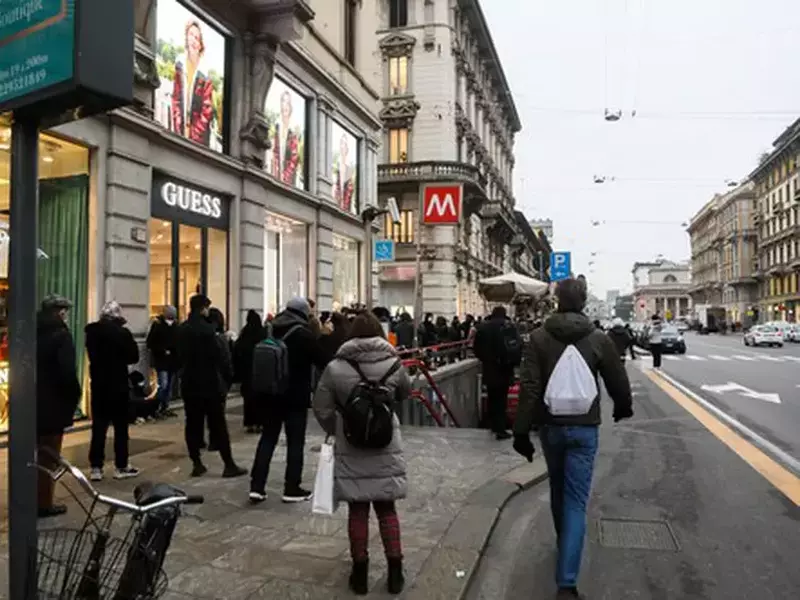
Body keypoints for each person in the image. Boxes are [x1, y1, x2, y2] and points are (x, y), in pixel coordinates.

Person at [513, 278, 633, 600]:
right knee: (576, 501)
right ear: (582, 303)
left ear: (556, 302)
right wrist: (623, 408)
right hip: (584, 427)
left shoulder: (538, 337)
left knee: (557, 488)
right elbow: (617, 379)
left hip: (551, 426)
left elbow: (529, 387)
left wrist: (521, 430)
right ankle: (566, 583)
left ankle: (563, 541)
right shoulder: (598, 338)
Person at [313, 312, 412, 595]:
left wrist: (341, 428)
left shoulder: (335, 367)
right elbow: (405, 392)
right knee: (386, 508)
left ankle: (360, 574)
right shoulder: (394, 363)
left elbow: (321, 408)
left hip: (351, 444)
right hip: (385, 443)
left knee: (357, 510)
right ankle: (395, 572)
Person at [249, 297, 330, 503]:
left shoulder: (270, 328)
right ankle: (291, 488)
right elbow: (324, 360)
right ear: (303, 313)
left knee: (267, 439)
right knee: (295, 442)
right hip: (295, 397)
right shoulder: (303, 334)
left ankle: (257, 486)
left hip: (270, 394)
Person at [177, 294, 246, 478]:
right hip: (209, 384)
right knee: (218, 425)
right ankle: (229, 464)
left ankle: (196, 463)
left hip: (189, 384)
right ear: (203, 308)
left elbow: (178, 357)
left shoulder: (182, 329)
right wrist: (227, 378)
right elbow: (220, 358)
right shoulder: (209, 331)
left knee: (192, 424)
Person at [36, 294, 83, 518]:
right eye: (65, 309)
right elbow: (66, 372)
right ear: (59, 312)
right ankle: (44, 502)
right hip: (53, 403)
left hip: (31, 401)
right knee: (49, 456)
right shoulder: (60, 335)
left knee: (33, 454)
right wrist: (75, 395)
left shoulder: (30, 330)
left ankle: (28, 497)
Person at [85, 301, 141, 481]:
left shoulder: (91, 333)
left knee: (99, 427)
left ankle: (96, 467)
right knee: (120, 428)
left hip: (99, 384)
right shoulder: (122, 333)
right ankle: (121, 465)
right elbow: (133, 356)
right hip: (118, 384)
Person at [473, 306, 521, 440]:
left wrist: (486, 359)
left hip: (489, 369)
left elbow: (476, 349)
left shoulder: (483, 328)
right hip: (504, 369)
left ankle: (493, 425)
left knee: (492, 398)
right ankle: (500, 429)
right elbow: (516, 347)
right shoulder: (508, 327)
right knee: (501, 400)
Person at [171, 19, 217, 147]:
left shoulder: (206, 76)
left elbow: (206, 112)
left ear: (201, 45)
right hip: (181, 133)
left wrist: (193, 137)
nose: (193, 40)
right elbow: (176, 100)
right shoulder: (179, 67)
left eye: (197, 38)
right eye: (190, 35)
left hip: (198, 141)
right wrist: (179, 129)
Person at [233, 310, 266, 433]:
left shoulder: (244, 334)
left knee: (248, 400)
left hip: (247, 373)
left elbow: (237, 353)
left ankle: (249, 423)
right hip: (260, 371)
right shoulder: (262, 333)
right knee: (261, 399)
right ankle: (260, 423)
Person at [146, 305, 179, 417]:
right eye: (170, 312)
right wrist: (162, 350)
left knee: (169, 386)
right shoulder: (158, 325)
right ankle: (156, 407)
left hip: (173, 361)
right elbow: (150, 342)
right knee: (163, 384)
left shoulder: (176, 326)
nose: (173, 314)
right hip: (162, 360)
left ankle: (165, 407)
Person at [271, 89, 302, 186]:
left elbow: (294, 159)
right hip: (275, 178)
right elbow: (274, 153)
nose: (285, 105)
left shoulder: (294, 132)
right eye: (283, 101)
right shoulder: (276, 128)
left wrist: (285, 177)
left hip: (289, 182)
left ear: (291, 106)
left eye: (288, 102)